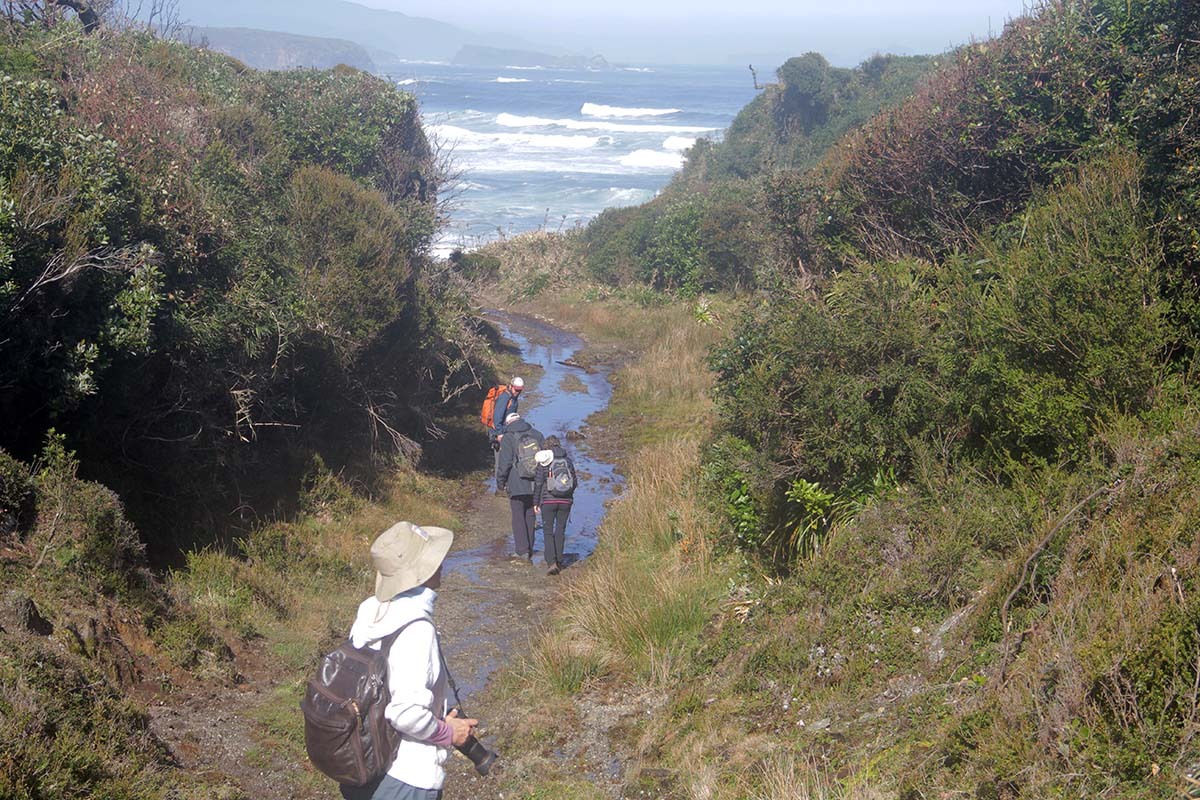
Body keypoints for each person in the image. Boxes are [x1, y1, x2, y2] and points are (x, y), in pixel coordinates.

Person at [341, 521, 478, 800]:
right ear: (418, 573)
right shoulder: (416, 629)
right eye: (432, 559)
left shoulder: (370, 612)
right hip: (406, 778)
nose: (440, 563)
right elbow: (406, 714)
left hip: (364, 763)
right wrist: (449, 732)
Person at [495, 412, 543, 562]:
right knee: (530, 514)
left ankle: (521, 551)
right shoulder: (537, 434)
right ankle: (529, 548)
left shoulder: (508, 437)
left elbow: (505, 463)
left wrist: (500, 482)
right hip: (535, 481)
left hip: (516, 482)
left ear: (509, 424)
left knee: (517, 516)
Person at [533, 436, 577, 575]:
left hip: (548, 501)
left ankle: (551, 562)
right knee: (560, 530)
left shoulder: (544, 461)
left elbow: (539, 483)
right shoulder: (568, 460)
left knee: (547, 530)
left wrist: (536, 502)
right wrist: (567, 495)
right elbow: (574, 482)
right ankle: (559, 560)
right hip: (566, 501)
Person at [490, 377, 524, 476]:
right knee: (500, 460)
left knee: (508, 458)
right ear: (511, 386)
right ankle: (499, 484)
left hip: (508, 432)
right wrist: (499, 434)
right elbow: (497, 417)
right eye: (516, 390)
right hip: (500, 434)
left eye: (520, 390)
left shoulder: (514, 397)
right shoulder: (504, 397)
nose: (518, 392)